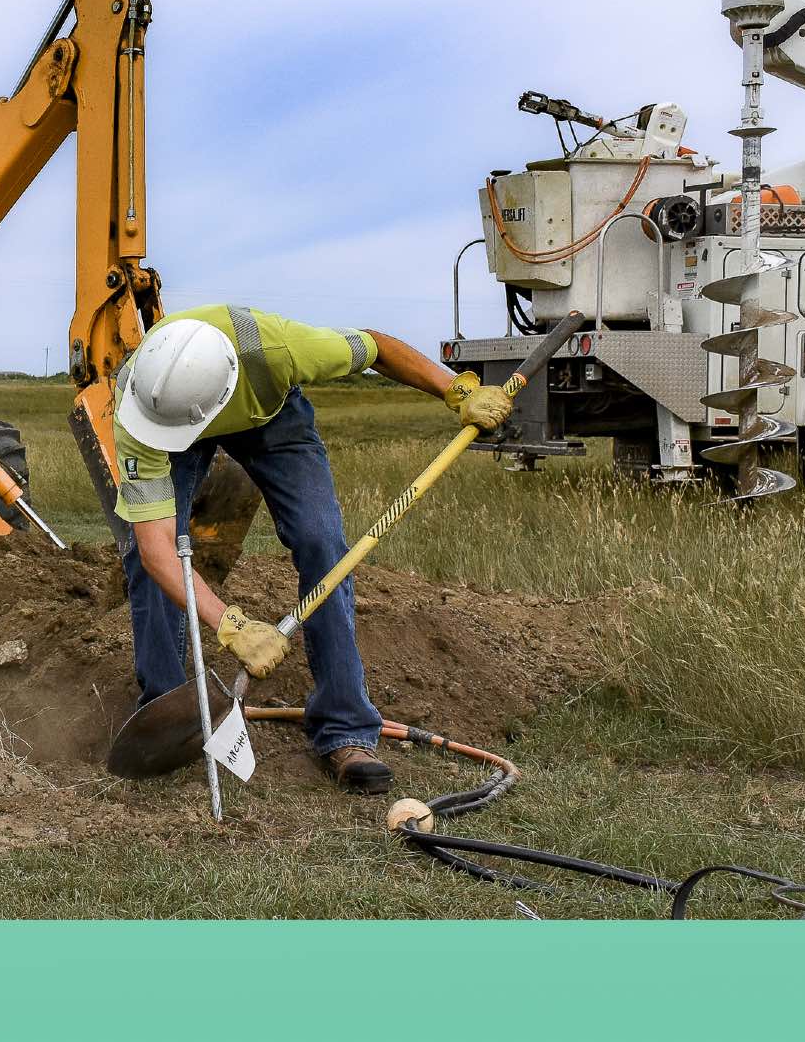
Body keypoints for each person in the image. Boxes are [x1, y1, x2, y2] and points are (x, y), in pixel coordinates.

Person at [110, 307, 512, 793]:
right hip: (172, 428)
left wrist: (456, 390)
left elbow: (377, 346)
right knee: (145, 555)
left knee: (323, 542)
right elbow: (158, 551)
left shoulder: (276, 349)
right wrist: (230, 625)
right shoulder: (141, 407)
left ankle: (345, 728)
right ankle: (169, 713)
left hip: (270, 413)